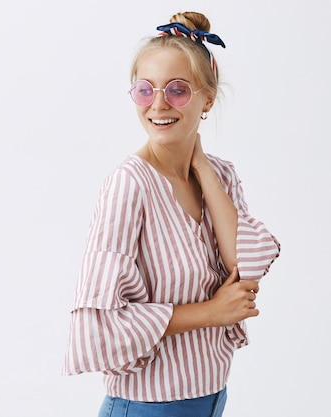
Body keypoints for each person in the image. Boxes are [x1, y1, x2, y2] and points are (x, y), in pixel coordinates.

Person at [61, 11, 281, 417]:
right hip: (147, 406)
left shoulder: (223, 175)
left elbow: (246, 266)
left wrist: (201, 168)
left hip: (213, 398)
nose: (158, 104)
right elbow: (97, 327)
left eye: (178, 90)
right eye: (144, 90)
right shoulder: (129, 184)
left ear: (207, 99)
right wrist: (211, 313)